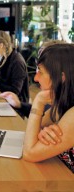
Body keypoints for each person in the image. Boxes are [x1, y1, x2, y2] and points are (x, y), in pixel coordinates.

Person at [22, 44, 74, 173]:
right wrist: (40, 133)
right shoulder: (62, 104)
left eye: (41, 71)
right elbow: (31, 135)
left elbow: (29, 153)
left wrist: (38, 102)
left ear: (62, 77)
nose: (35, 78)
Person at [0, 40, 67, 117]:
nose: (35, 78)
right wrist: (19, 104)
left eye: (41, 69)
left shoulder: (66, 110)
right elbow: (42, 112)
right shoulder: (55, 97)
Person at [0, 30, 29, 104]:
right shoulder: (5, 57)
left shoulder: (17, 61)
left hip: (16, 106)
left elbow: (14, 91)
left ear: (1, 45)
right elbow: (0, 80)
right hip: (4, 98)